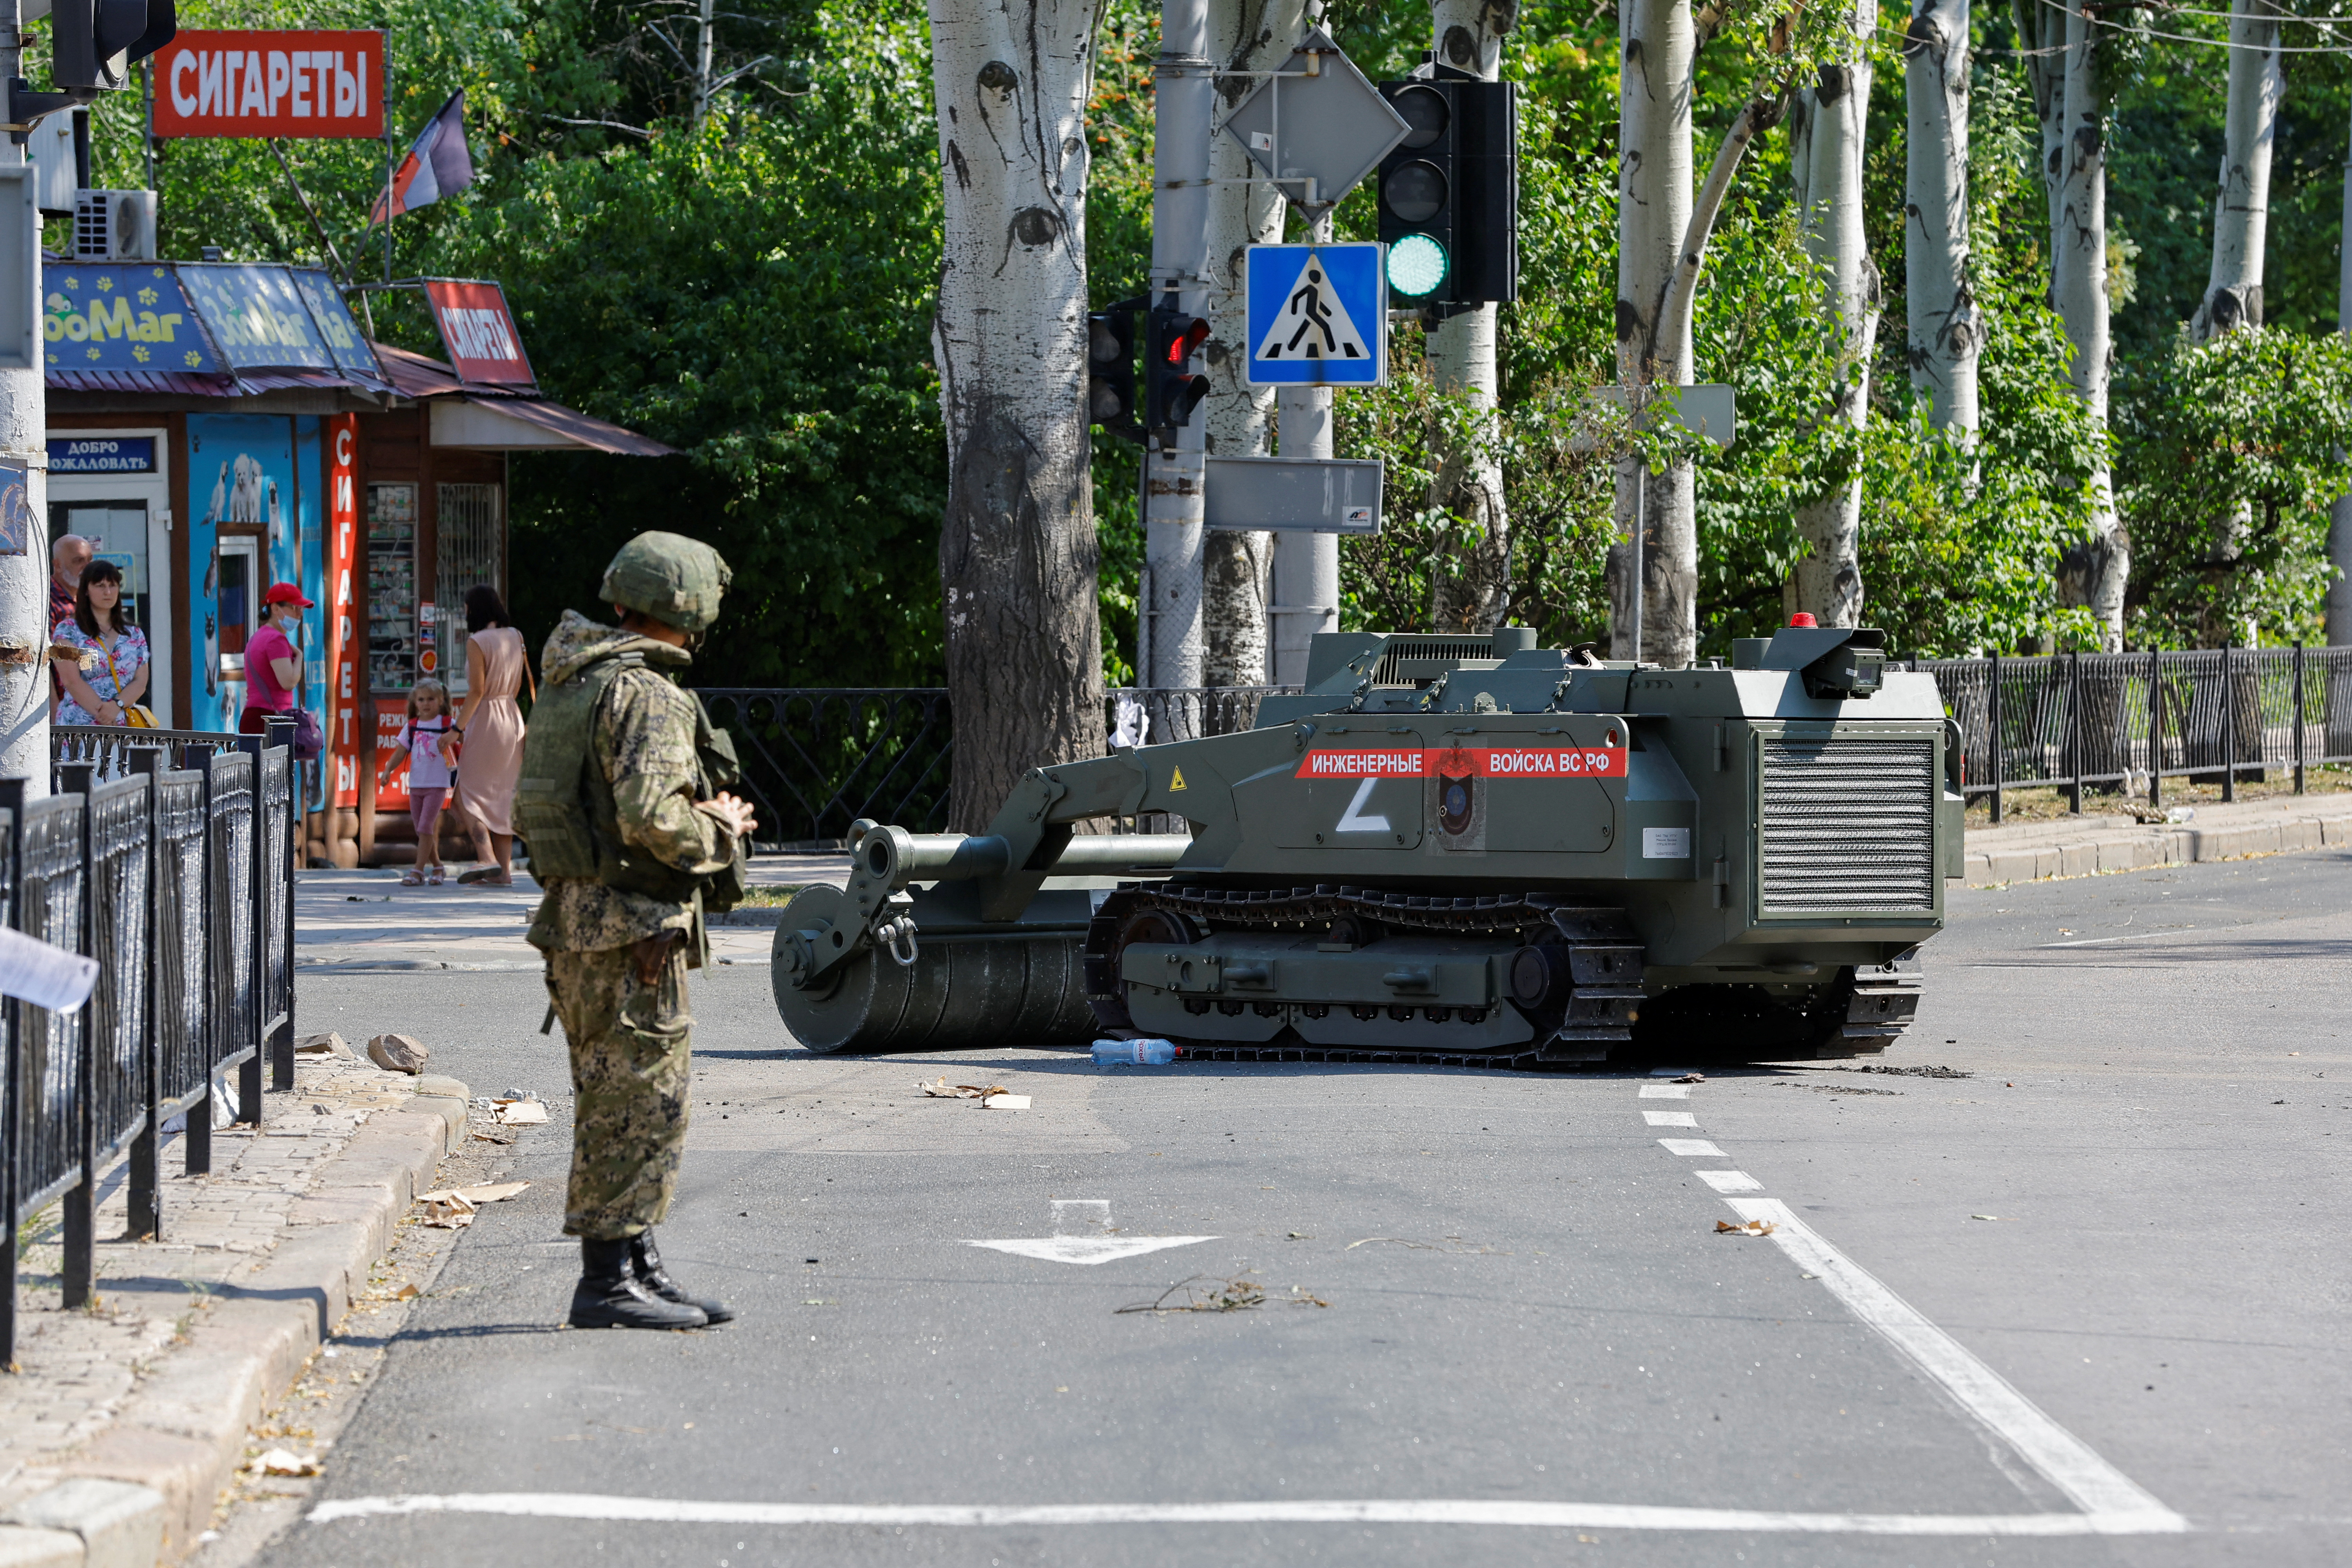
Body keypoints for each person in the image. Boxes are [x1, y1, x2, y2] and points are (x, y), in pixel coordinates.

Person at [517, 532, 757, 1331]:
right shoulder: (645, 693)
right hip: (633, 932)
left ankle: (637, 1264)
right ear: (687, 606)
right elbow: (651, 816)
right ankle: (607, 1282)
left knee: (622, 1100)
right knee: (639, 1104)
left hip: (579, 923)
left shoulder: (573, 678)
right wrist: (721, 826)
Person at [452, 586, 532, 887]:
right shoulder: (516, 636)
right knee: (502, 795)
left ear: (474, 610)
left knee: (464, 796)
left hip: (485, 720)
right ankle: (504, 873)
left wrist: (456, 729)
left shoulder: (477, 642)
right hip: (512, 718)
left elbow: (476, 691)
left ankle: (486, 857)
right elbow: (520, 683)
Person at [49, 559, 149, 727]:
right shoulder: (65, 630)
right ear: (86, 590)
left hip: (123, 723)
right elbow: (70, 680)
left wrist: (116, 706)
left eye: (113, 585)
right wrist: (103, 714)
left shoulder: (135, 634)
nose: (108, 592)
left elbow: (141, 681)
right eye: (100, 586)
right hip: (80, 724)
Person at [380, 678, 458, 887]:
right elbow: (399, 753)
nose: (426, 704)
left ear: (441, 700)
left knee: (425, 827)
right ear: (415, 703)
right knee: (422, 830)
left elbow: (463, 743)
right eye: (421, 700)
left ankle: (418, 871)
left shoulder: (448, 725)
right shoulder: (412, 727)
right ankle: (439, 867)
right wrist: (388, 769)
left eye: (431, 699)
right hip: (416, 785)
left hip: (438, 784)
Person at [241, 582, 311, 735]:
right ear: (275, 608)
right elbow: (289, 682)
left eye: (301, 608)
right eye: (294, 608)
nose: (300, 614)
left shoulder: (258, 636)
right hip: (270, 720)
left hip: (255, 717)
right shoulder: (276, 640)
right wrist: (299, 657)